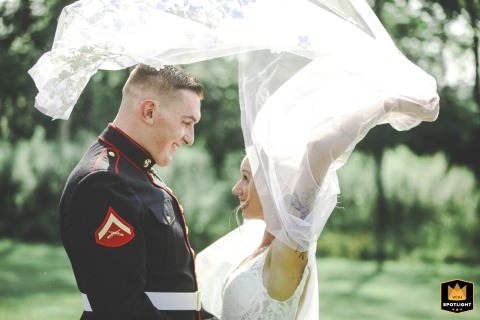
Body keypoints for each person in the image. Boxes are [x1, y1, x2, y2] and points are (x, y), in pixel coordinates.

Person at [196, 97, 439, 319]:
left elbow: (319, 148)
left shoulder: (288, 250)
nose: (236, 188)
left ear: (275, 187)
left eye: (246, 177)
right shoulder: (260, 249)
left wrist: (389, 105)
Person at [59, 63, 213, 320]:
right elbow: (122, 308)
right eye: (186, 122)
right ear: (149, 111)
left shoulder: (133, 172)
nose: (190, 138)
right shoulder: (103, 183)